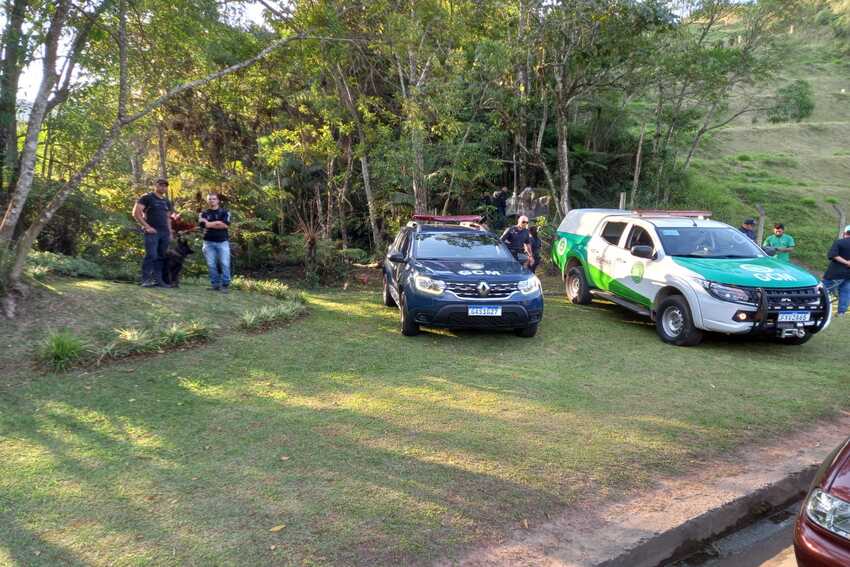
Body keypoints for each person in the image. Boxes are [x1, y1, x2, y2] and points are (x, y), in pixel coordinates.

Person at [133, 178, 174, 288]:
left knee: (161, 256)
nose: (163, 187)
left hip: (164, 233)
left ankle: (158, 281)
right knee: (151, 255)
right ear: (155, 185)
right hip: (152, 232)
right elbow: (136, 213)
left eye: (165, 186)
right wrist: (147, 226)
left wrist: (170, 232)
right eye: (160, 185)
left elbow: (168, 218)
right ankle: (145, 280)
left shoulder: (167, 202)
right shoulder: (147, 197)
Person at [199, 193, 232, 292]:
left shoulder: (225, 212)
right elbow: (202, 224)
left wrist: (209, 224)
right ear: (207, 201)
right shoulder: (204, 213)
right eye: (210, 199)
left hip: (222, 242)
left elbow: (225, 225)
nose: (212, 201)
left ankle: (225, 285)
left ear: (218, 201)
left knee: (224, 263)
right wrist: (217, 223)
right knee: (211, 264)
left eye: (214, 199)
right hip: (208, 242)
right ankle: (215, 285)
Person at [822, 225, 850, 317]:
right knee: (845, 293)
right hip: (848, 275)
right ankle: (841, 313)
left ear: (845, 233)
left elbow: (833, 255)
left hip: (835, 274)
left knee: (823, 291)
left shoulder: (839, 242)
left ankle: (819, 309)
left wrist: (846, 262)